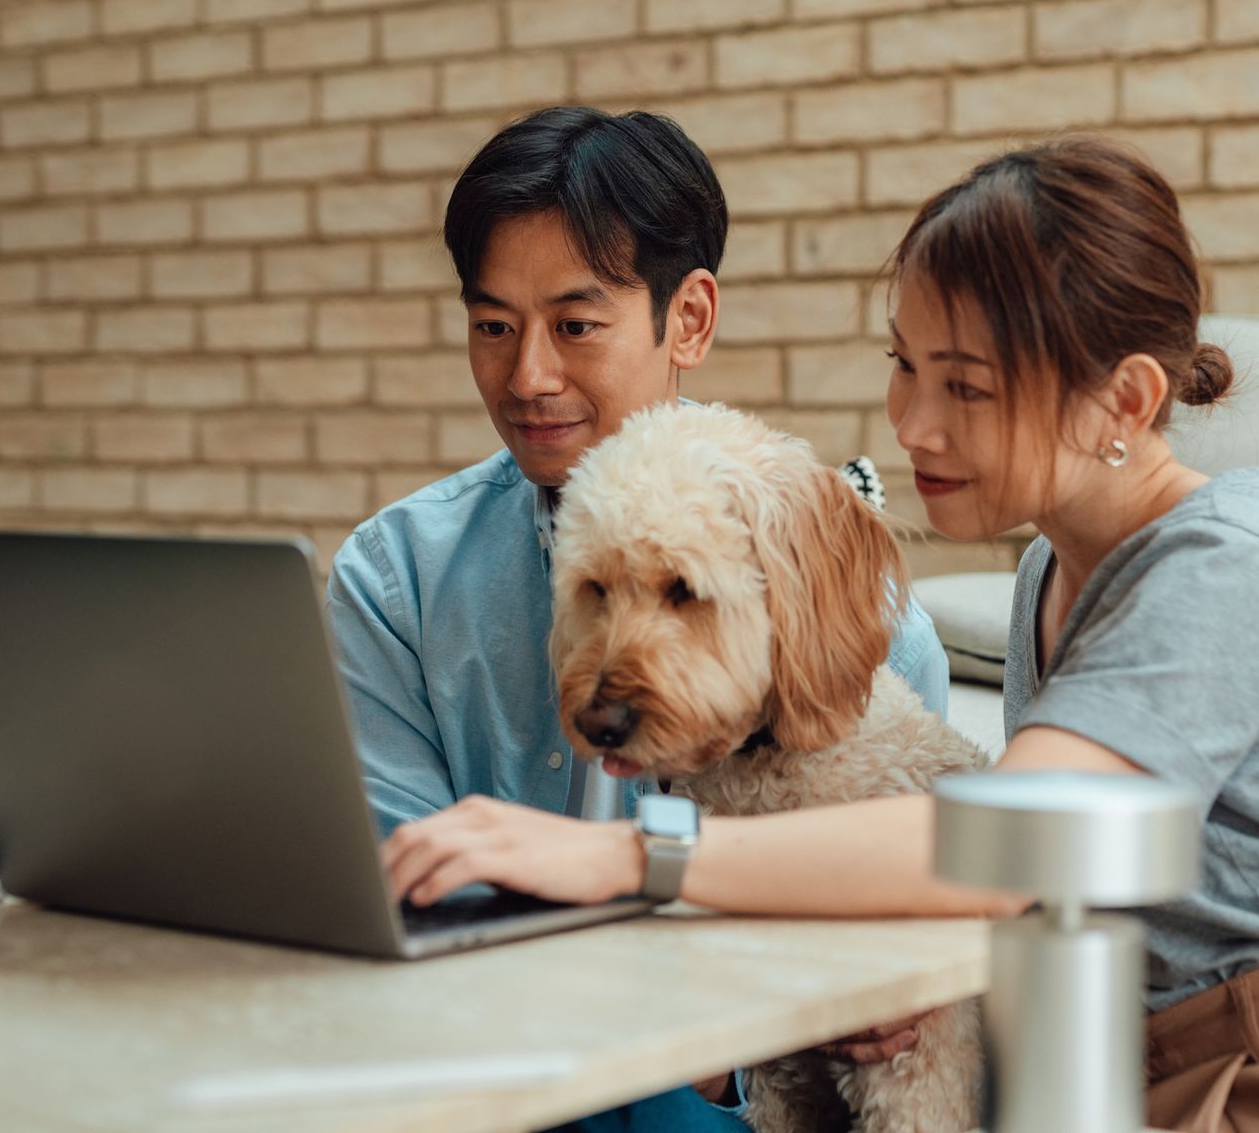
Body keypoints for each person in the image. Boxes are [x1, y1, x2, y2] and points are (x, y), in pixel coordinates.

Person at [379, 135, 1259, 1131]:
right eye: (905, 368)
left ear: (1125, 400)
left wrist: (629, 855)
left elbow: (1011, 846)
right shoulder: (1056, 566)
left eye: (967, 385)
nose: (911, 423)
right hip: (1141, 1079)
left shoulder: (1225, 565)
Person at [325, 105, 950, 1133]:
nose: (527, 376)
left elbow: (883, 927)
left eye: (575, 325)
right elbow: (398, 905)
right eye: (493, 326)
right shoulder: (398, 578)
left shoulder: (837, 598)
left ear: (689, 320)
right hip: (477, 1071)